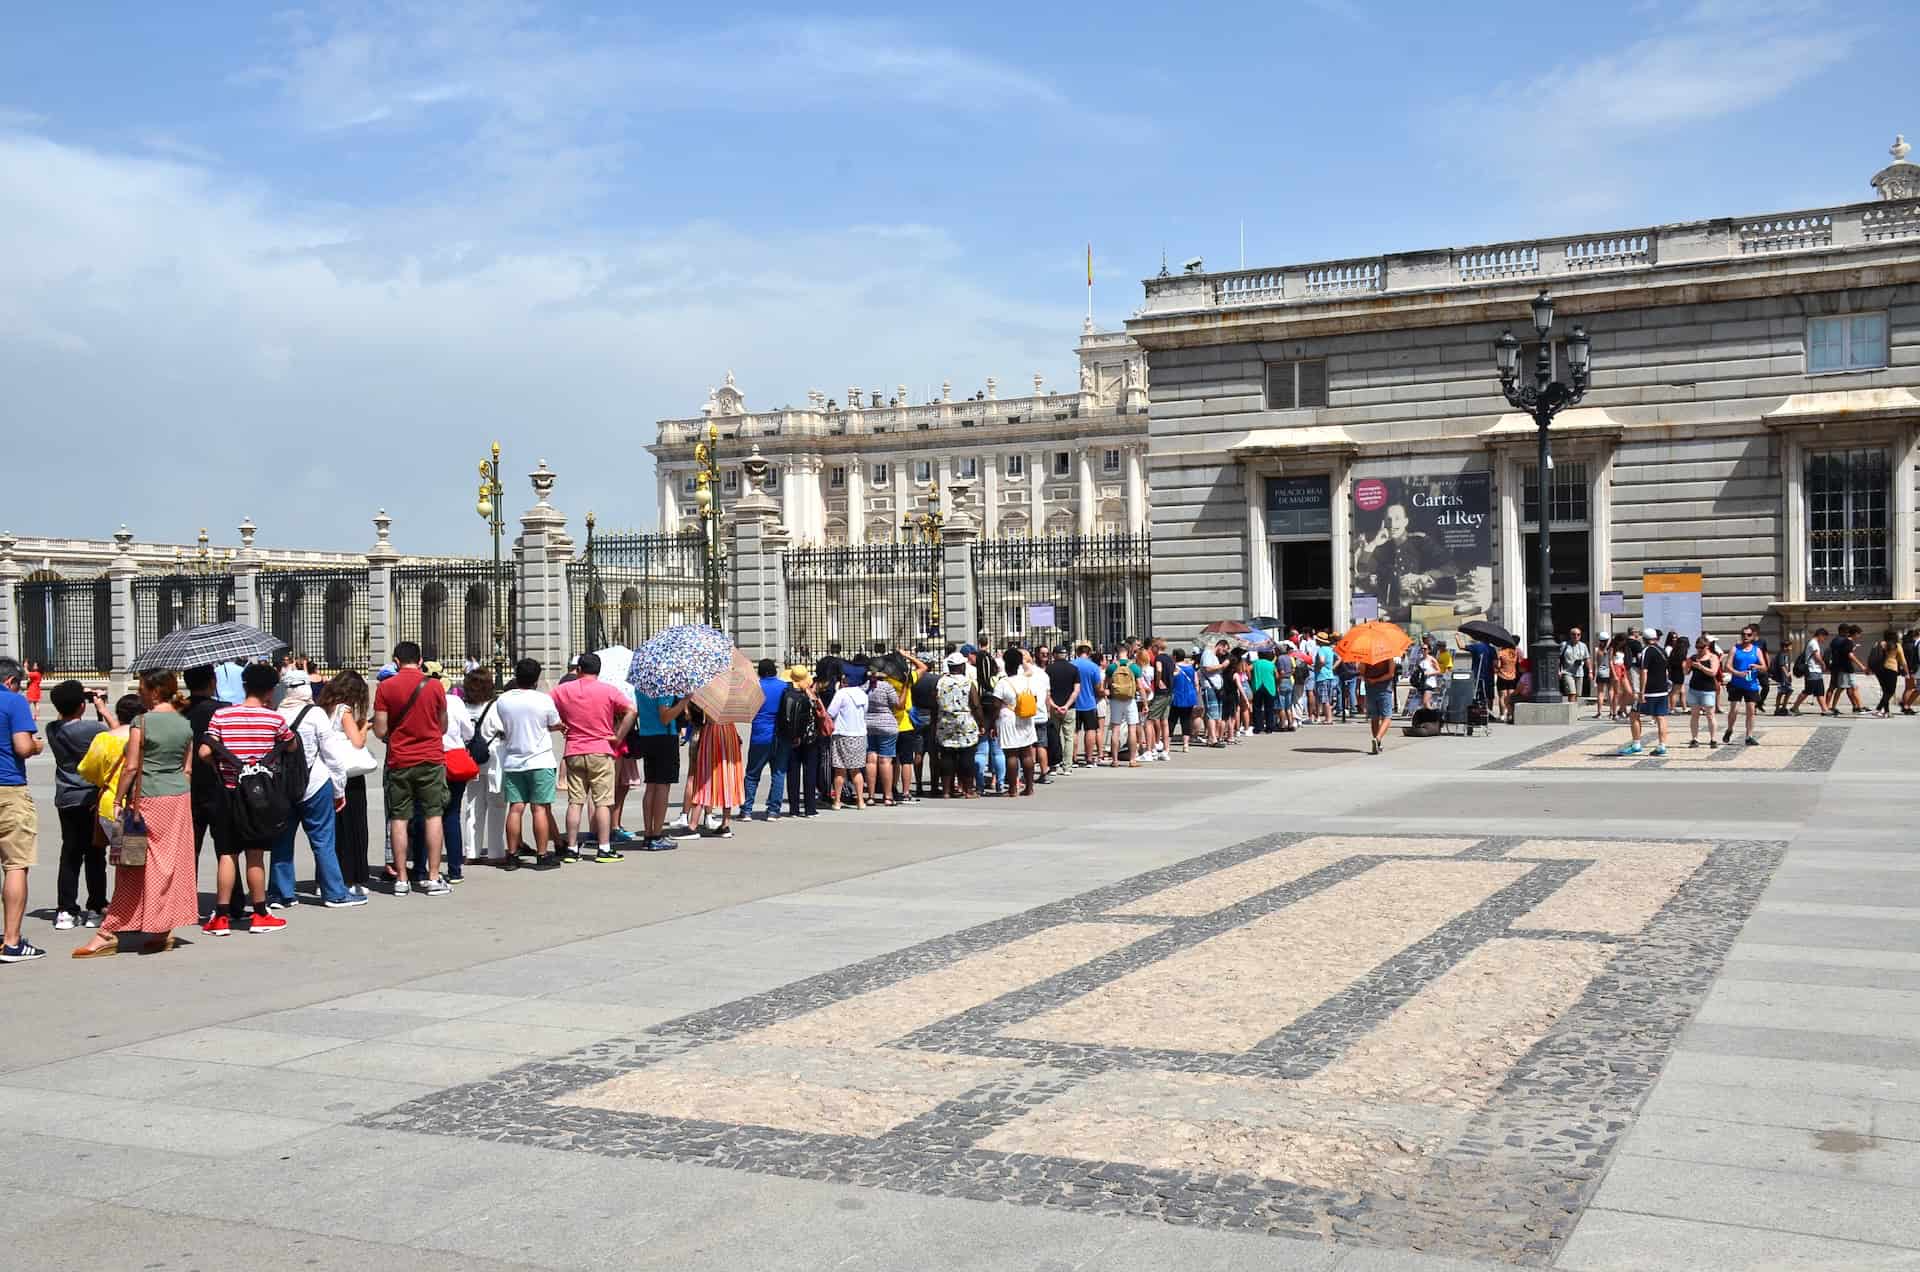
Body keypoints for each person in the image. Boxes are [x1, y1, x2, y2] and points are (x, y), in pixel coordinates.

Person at [72, 673, 204, 957]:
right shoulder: (184, 723)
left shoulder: (141, 722)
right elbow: (188, 769)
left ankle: (108, 931)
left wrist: (118, 799)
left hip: (149, 798)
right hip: (179, 798)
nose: (140, 693)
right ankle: (162, 927)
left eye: (143, 689)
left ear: (155, 692)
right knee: (171, 863)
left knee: (132, 863)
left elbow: (131, 767)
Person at [200, 662, 295, 935]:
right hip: (258, 799)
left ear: (244, 686)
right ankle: (261, 914)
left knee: (227, 854)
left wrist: (223, 766)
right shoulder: (274, 719)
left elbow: (205, 752)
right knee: (255, 856)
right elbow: (290, 744)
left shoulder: (222, 717)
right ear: (270, 690)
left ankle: (220, 917)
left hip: (228, 793)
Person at [270, 669, 361, 907]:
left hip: (284, 787)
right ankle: (334, 893)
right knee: (323, 841)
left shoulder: (276, 715)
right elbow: (332, 756)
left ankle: (281, 893)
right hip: (316, 784)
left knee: (282, 840)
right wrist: (339, 790)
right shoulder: (316, 714)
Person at [372, 642, 451, 895]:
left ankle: (402, 879)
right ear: (420, 661)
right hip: (430, 758)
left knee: (399, 818)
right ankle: (433, 876)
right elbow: (443, 726)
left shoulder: (385, 687)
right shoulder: (435, 686)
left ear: (396, 661)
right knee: (433, 815)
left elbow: (381, 730)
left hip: (399, 760)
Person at [552, 652, 636, 859]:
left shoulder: (563, 690)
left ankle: (571, 848)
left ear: (578, 669)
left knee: (575, 801)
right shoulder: (608, 690)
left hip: (574, 749)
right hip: (601, 748)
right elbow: (631, 710)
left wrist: (557, 725)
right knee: (603, 802)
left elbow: (545, 708)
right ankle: (604, 847)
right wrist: (618, 736)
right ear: (599, 671)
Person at [47, 680, 111, 931]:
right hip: (89, 797)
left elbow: (66, 714)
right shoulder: (90, 729)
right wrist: (102, 707)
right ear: (81, 706)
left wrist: (79, 701)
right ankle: (95, 906)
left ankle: (65, 909)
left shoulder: (53, 728)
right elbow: (114, 736)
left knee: (70, 853)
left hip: (66, 797)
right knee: (95, 854)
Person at [491, 658, 565, 869]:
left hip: (514, 760)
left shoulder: (503, 700)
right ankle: (542, 855)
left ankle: (512, 855)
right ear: (536, 678)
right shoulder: (543, 700)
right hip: (539, 759)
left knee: (515, 808)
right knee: (539, 809)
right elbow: (552, 723)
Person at [0, 658, 46, 963]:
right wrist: (37, 745)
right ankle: (12, 942)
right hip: (8, 788)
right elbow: (22, 746)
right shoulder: (13, 702)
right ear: (11, 682)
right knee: (15, 864)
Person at [318, 672, 375, 896]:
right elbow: (357, 742)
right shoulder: (344, 710)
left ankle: (327, 877)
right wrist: (365, 727)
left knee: (333, 829)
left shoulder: (324, 707)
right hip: (349, 774)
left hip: (328, 773)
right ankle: (352, 876)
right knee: (354, 827)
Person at [455, 668, 508, 867]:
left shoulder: (464, 707)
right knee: (496, 805)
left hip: (472, 759)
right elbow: (503, 729)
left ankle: (471, 851)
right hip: (494, 760)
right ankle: (495, 851)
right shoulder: (495, 706)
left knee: (473, 806)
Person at [741, 659, 790, 821]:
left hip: (760, 735)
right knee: (778, 773)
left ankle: (747, 810)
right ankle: (773, 811)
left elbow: (748, 709)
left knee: (752, 774)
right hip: (781, 735)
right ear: (775, 671)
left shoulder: (754, 687)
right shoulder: (784, 686)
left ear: (760, 672)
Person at [995, 648, 1045, 796]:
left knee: (1011, 754)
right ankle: (1029, 788)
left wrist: (992, 723)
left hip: (1008, 717)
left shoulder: (1003, 682)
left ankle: (1012, 789)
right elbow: (1034, 698)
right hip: (1026, 717)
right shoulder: (1026, 680)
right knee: (1026, 753)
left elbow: (996, 704)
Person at [688, 706, 744, 838]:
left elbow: (695, 715)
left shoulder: (709, 694)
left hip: (713, 731)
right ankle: (725, 824)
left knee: (704, 777)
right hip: (730, 731)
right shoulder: (732, 695)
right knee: (728, 775)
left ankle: (692, 826)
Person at [1618, 626, 1672, 757]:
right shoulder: (1662, 650)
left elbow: (1644, 672)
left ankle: (1636, 745)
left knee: (1634, 715)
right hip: (1662, 690)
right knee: (1661, 717)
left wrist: (1641, 692)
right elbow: (1666, 670)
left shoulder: (1646, 651)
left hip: (1649, 691)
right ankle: (1662, 746)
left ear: (1644, 639)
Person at [934, 652, 982, 799]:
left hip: (945, 721)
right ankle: (968, 790)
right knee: (966, 755)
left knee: (947, 755)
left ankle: (947, 791)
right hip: (964, 721)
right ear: (961, 666)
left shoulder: (941, 682)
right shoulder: (967, 683)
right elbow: (975, 704)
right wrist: (981, 722)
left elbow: (934, 700)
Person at [778, 668, 822, 819]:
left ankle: (794, 808)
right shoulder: (811, 695)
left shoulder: (786, 694)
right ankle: (810, 808)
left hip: (792, 738)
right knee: (810, 772)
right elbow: (820, 713)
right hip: (810, 738)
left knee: (793, 773)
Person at [825, 672, 869, 811]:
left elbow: (831, 712)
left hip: (842, 733)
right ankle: (860, 801)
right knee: (856, 770)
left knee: (840, 770)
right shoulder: (863, 694)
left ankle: (837, 801)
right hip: (859, 734)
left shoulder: (842, 693)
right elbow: (865, 711)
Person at [1723, 626, 1766, 744]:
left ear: (1753, 636)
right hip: (1736, 683)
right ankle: (1730, 729)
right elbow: (1727, 666)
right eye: (1743, 634)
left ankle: (1749, 736)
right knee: (1734, 709)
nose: (1745, 637)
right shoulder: (1735, 649)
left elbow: (1764, 667)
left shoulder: (1756, 650)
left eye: (1748, 635)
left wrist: (1757, 666)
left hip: (1751, 684)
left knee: (1751, 710)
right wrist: (1738, 673)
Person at [1105, 646, 1143, 768]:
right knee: (1132, 729)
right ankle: (1132, 760)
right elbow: (1140, 686)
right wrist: (1145, 703)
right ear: (1128, 653)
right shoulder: (1134, 667)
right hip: (1130, 700)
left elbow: (1106, 684)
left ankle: (1115, 760)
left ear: (1117, 654)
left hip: (1115, 700)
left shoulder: (1112, 667)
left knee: (1115, 729)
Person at [1046, 644, 1080, 775]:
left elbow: (1046, 691)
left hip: (1054, 708)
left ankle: (1054, 765)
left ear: (1054, 655)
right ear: (1065, 655)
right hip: (1069, 708)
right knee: (1069, 737)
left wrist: (1054, 705)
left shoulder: (1049, 669)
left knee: (1054, 736)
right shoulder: (1073, 669)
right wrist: (1066, 705)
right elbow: (1076, 690)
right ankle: (1067, 766)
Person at [1682, 636, 1721, 749]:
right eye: (1697, 647)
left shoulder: (1713, 657)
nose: (1699, 649)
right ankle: (1694, 739)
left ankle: (1713, 739)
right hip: (1694, 689)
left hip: (1708, 690)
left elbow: (1713, 672)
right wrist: (1686, 666)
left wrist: (1701, 667)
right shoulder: (1693, 657)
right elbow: (1686, 672)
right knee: (1694, 715)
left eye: (1701, 647)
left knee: (1710, 715)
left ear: (1707, 646)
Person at [1070, 642, 1104, 767]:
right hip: (1089, 702)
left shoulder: (1071, 665)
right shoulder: (1093, 667)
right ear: (1089, 654)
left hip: (1074, 702)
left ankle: (1073, 758)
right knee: (1090, 730)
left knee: (1074, 731)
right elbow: (1098, 686)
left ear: (1078, 653)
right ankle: (1089, 758)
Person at [1825, 625, 1866, 716]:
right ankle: (1829, 707)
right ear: (1844, 631)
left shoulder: (1835, 640)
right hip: (1841, 667)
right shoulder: (1844, 641)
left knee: (1842, 687)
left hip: (1836, 666)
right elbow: (1847, 653)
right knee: (1840, 687)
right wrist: (1861, 665)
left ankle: (1829, 707)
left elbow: (1841, 652)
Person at [1868, 628, 1907, 718]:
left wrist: (1868, 668)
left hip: (1879, 670)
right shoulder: (1896, 645)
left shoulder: (1878, 643)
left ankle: (1887, 712)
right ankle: (1878, 709)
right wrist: (1906, 671)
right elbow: (1903, 661)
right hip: (1891, 669)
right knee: (1890, 691)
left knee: (1886, 691)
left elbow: (1872, 656)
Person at [1362, 657, 1396, 755]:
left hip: (1370, 688)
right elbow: (1391, 674)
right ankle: (1378, 738)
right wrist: (1377, 680)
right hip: (1384, 688)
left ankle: (1377, 742)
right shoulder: (1388, 656)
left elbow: (1362, 671)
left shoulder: (1367, 656)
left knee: (1374, 717)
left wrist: (1371, 679)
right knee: (1387, 716)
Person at [1790, 628, 1828, 716]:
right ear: (1820, 635)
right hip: (1812, 670)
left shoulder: (1813, 643)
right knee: (1808, 690)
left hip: (1816, 670)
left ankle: (1824, 709)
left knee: (1820, 690)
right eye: (1824, 638)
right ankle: (1794, 708)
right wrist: (1823, 664)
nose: (1824, 640)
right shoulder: (1813, 643)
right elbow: (1816, 656)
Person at [1249, 649, 1278, 734]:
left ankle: (1258, 727)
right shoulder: (1271, 664)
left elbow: (1247, 669)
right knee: (1269, 708)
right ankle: (1269, 727)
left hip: (1257, 686)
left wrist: (1251, 678)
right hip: (1269, 687)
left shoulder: (1255, 663)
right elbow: (1276, 675)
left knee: (1257, 707)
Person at [1559, 627, 1590, 701]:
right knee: (1572, 693)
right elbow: (1558, 658)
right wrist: (1558, 670)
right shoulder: (1564, 645)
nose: (1576, 636)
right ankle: (1572, 711)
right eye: (1574, 634)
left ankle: (1575, 711)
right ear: (1570, 635)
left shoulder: (1583, 646)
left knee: (1578, 694)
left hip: (1579, 673)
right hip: (1567, 672)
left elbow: (1587, 658)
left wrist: (1590, 671)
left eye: (1578, 634)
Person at [1493, 641, 1520, 724]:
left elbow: (1497, 665)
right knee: (1510, 696)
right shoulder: (1514, 653)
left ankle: (1502, 715)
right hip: (1512, 676)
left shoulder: (1501, 653)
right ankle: (1510, 714)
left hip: (1502, 676)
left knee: (1502, 697)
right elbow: (1517, 664)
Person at [1591, 632, 1613, 719]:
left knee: (1600, 693)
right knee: (1610, 692)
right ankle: (1612, 712)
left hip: (1601, 672)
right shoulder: (1610, 649)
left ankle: (1599, 713)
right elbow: (1611, 661)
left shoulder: (1597, 650)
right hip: (1609, 672)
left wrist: (1593, 673)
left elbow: (1595, 663)